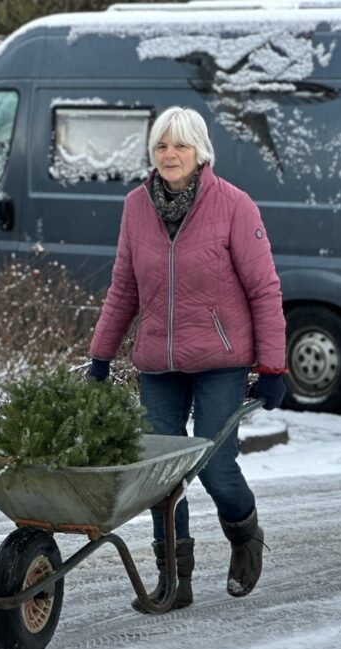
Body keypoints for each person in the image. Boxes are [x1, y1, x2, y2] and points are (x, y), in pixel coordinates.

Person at [86, 106, 287, 613]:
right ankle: (174, 580)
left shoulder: (235, 207)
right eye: (161, 145)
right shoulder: (136, 207)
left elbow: (264, 290)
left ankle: (245, 536)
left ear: (201, 153)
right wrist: (101, 357)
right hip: (158, 363)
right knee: (161, 474)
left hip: (221, 359)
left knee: (217, 466)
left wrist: (272, 367)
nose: (169, 154)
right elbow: (124, 289)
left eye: (180, 145)